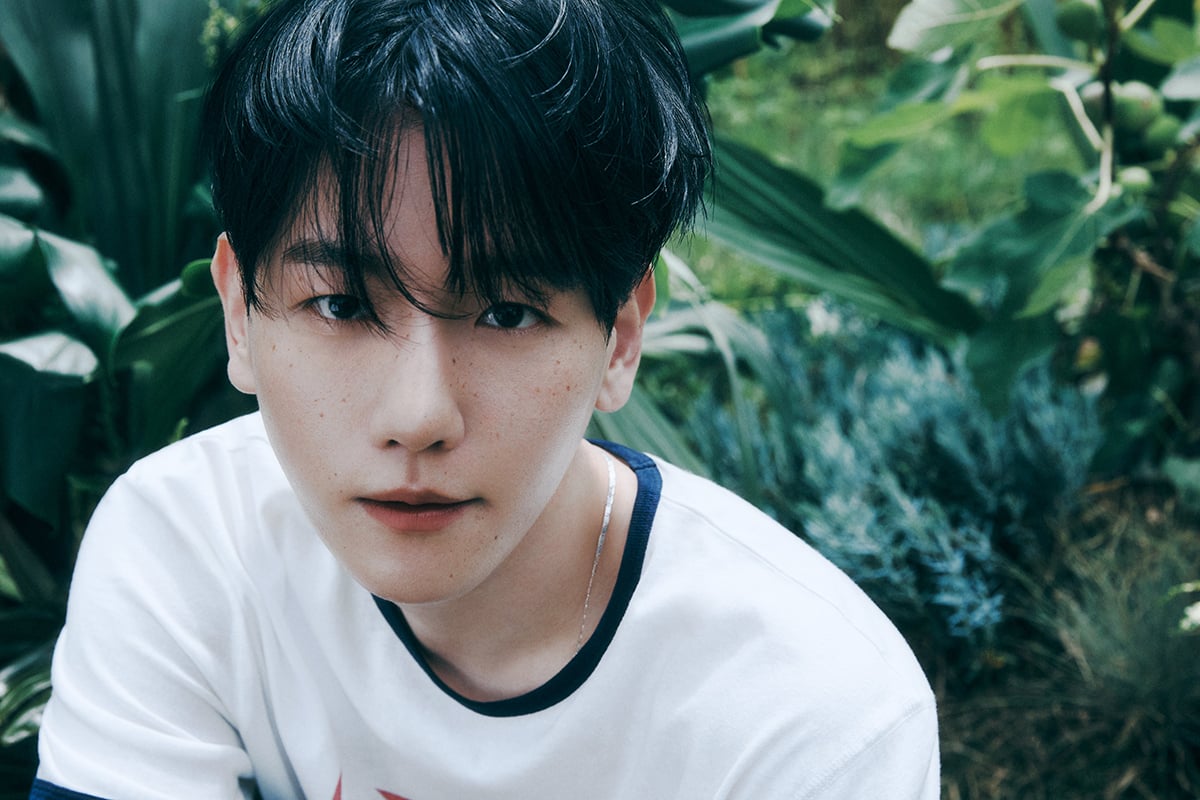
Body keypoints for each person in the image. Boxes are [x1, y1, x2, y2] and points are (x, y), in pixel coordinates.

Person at [31, 0, 940, 797]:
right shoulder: (190, 551)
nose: (418, 416)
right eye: (341, 305)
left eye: (507, 313)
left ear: (621, 335)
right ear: (239, 312)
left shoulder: (808, 712)